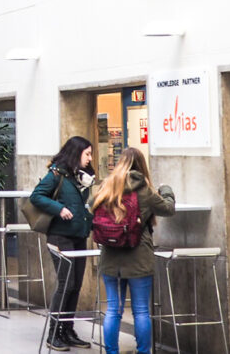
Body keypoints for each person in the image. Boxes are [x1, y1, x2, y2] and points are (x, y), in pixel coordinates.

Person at [87, 147, 175, 354]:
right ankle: (143, 352)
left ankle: (111, 351)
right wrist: (167, 190)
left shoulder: (107, 186)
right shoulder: (144, 189)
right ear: (141, 165)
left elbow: (91, 206)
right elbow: (168, 209)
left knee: (113, 310)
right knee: (141, 311)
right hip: (138, 257)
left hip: (110, 258)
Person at [30, 136, 97, 351]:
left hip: (79, 235)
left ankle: (67, 330)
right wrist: (58, 208)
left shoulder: (81, 177)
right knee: (65, 284)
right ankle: (53, 333)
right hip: (60, 236)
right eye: (87, 153)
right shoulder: (56, 174)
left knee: (76, 285)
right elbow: (36, 196)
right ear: (75, 153)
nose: (90, 158)